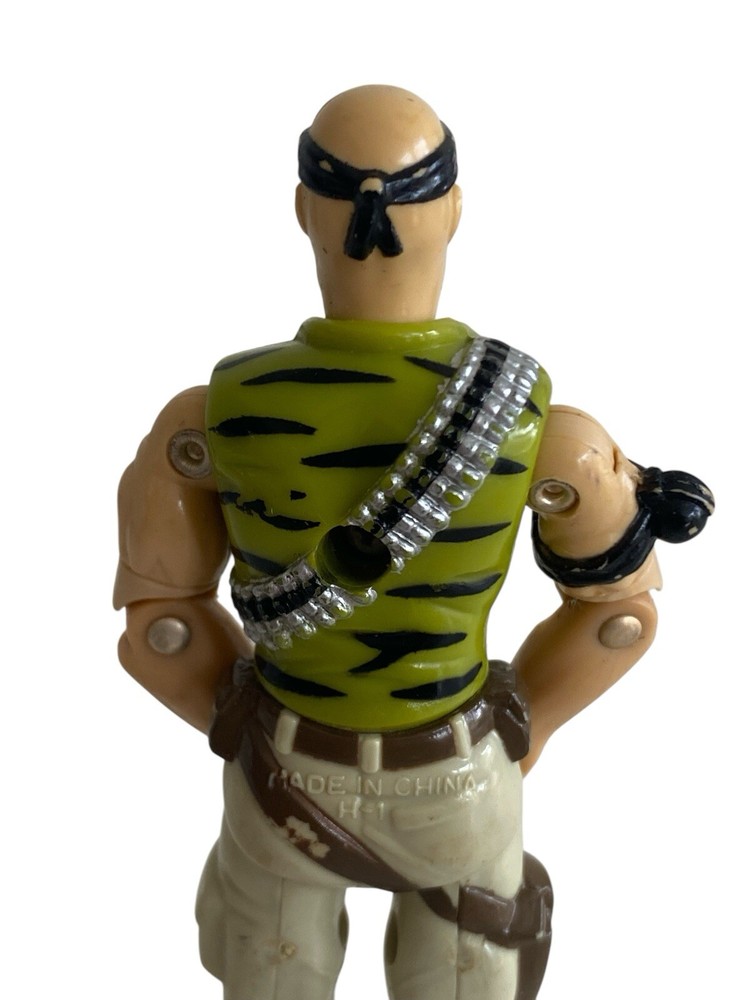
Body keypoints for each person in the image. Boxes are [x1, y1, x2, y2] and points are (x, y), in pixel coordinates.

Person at [115, 85, 713, 1000]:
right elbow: (617, 621)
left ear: (304, 209)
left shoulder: (213, 414)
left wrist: (238, 728)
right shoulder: (546, 429)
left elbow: (160, 628)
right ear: (454, 209)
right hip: (457, 777)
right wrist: (523, 733)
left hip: (284, 776)